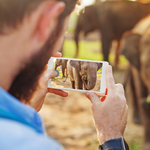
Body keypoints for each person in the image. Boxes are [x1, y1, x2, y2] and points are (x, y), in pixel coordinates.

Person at [0, 0, 128, 150]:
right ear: (47, 21)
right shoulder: (33, 145)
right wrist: (111, 137)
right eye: (65, 31)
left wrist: (23, 110)